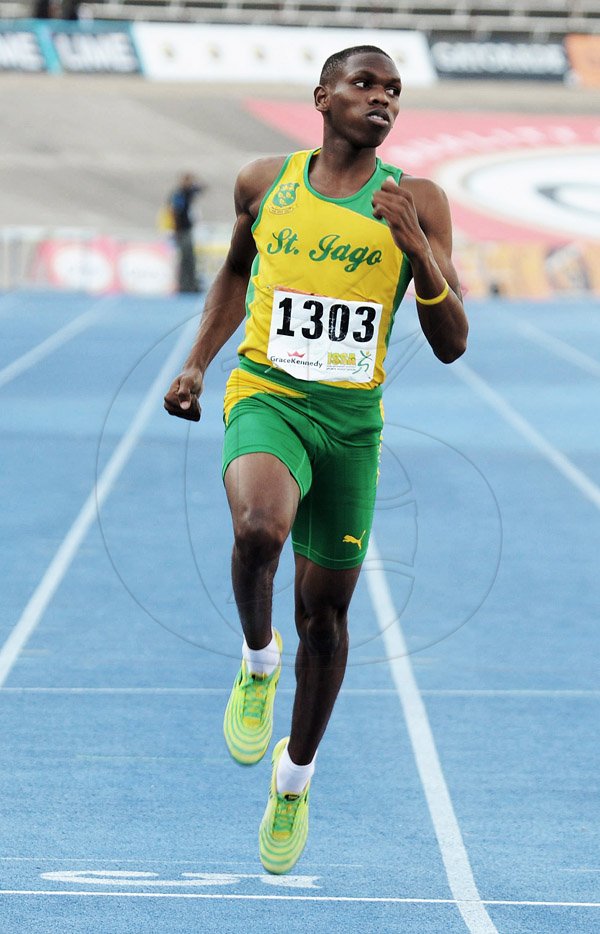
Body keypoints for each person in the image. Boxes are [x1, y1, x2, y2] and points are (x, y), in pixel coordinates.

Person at [164, 46, 468, 874]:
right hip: (267, 393)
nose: (382, 99)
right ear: (323, 97)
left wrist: (418, 250)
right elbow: (234, 271)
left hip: (351, 423)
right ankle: (257, 661)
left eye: (394, 91)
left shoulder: (419, 200)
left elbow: (453, 344)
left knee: (327, 619)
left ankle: (293, 782)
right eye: (365, 84)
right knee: (260, 529)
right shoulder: (265, 182)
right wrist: (198, 361)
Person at [169, 172, 204, 294]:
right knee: (185, 258)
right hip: (182, 230)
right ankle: (184, 285)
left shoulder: (188, 192)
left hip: (188, 229)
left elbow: (202, 188)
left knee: (191, 258)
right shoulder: (178, 194)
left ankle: (191, 284)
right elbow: (174, 211)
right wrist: (176, 230)